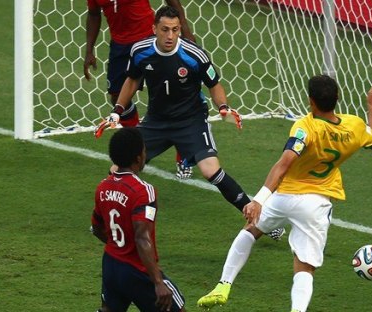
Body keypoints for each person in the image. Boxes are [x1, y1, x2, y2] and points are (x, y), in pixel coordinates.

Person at [94, 6, 285, 240]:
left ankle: (261, 220)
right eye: (165, 30)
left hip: (191, 121)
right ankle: (102, 222)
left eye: (175, 30)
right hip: (156, 121)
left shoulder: (194, 55)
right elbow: (132, 81)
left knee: (210, 170)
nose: (170, 36)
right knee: (117, 168)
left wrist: (223, 107)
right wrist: (117, 111)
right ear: (154, 29)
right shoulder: (140, 51)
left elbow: (214, 84)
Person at [197, 75, 372, 312]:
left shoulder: (305, 128)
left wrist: (259, 200)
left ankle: (223, 286)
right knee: (304, 267)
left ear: (310, 101)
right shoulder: (354, 127)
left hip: (284, 197)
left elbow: (283, 164)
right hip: (316, 205)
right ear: (338, 98)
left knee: (251, 230)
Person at [84, 0, 196, 179]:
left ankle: (184, 155)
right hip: (120, 46)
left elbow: (172, 1)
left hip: (149, 40)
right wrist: (89, 50)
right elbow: (94, 14)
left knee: (170, 95)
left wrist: (186, 31)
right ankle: (138, 142)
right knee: (117, 97)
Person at [91, 128, 186, 312]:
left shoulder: (102, 187)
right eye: (144, 150)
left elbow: (96, 227)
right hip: (138, 270)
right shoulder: (143, 191)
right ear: (138, 158)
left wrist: (119, 246)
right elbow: (142, 237)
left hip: (111, 263)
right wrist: (158, 282)